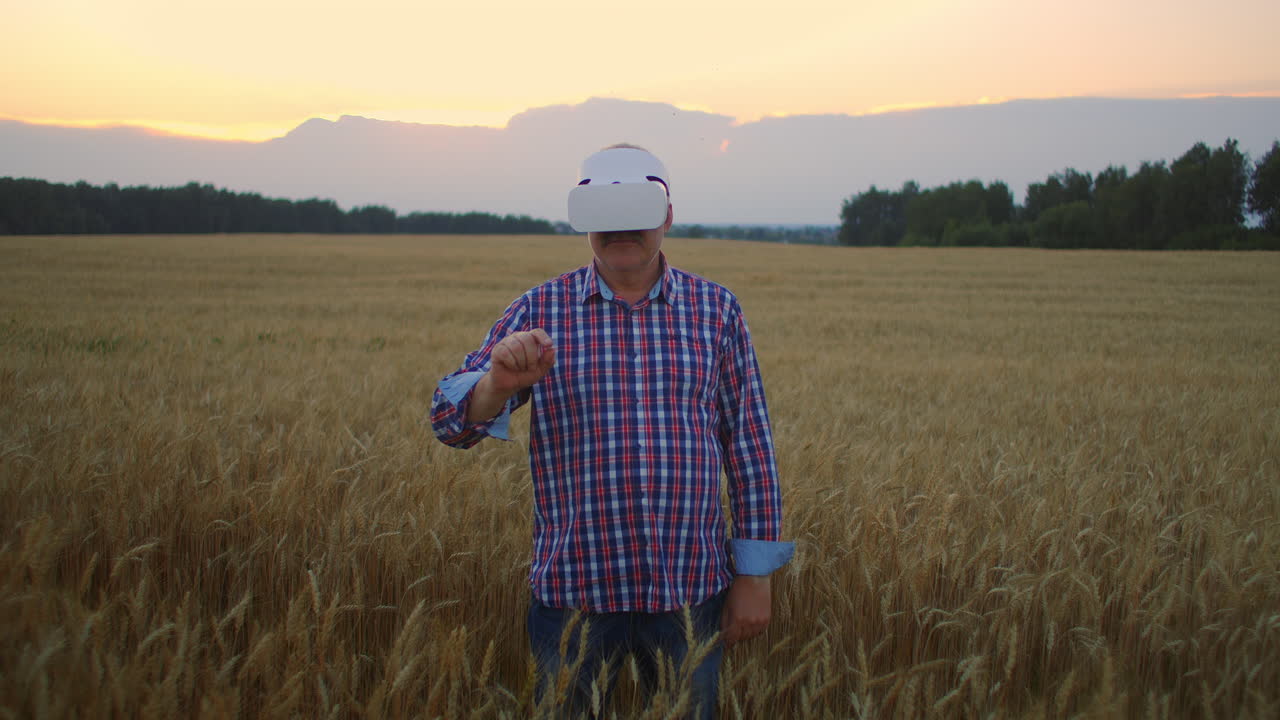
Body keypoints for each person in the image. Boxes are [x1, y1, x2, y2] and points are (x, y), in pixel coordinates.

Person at [430, 144, 793, 718]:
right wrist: (496, 385)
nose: (622, 228)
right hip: (576, 593)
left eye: (639, 211)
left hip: (688, 592)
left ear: (668, 216)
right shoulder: (539, 309)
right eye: (605, 213)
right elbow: (448, 422)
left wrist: (755, 577)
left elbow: (749, 448)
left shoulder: (717, 310)